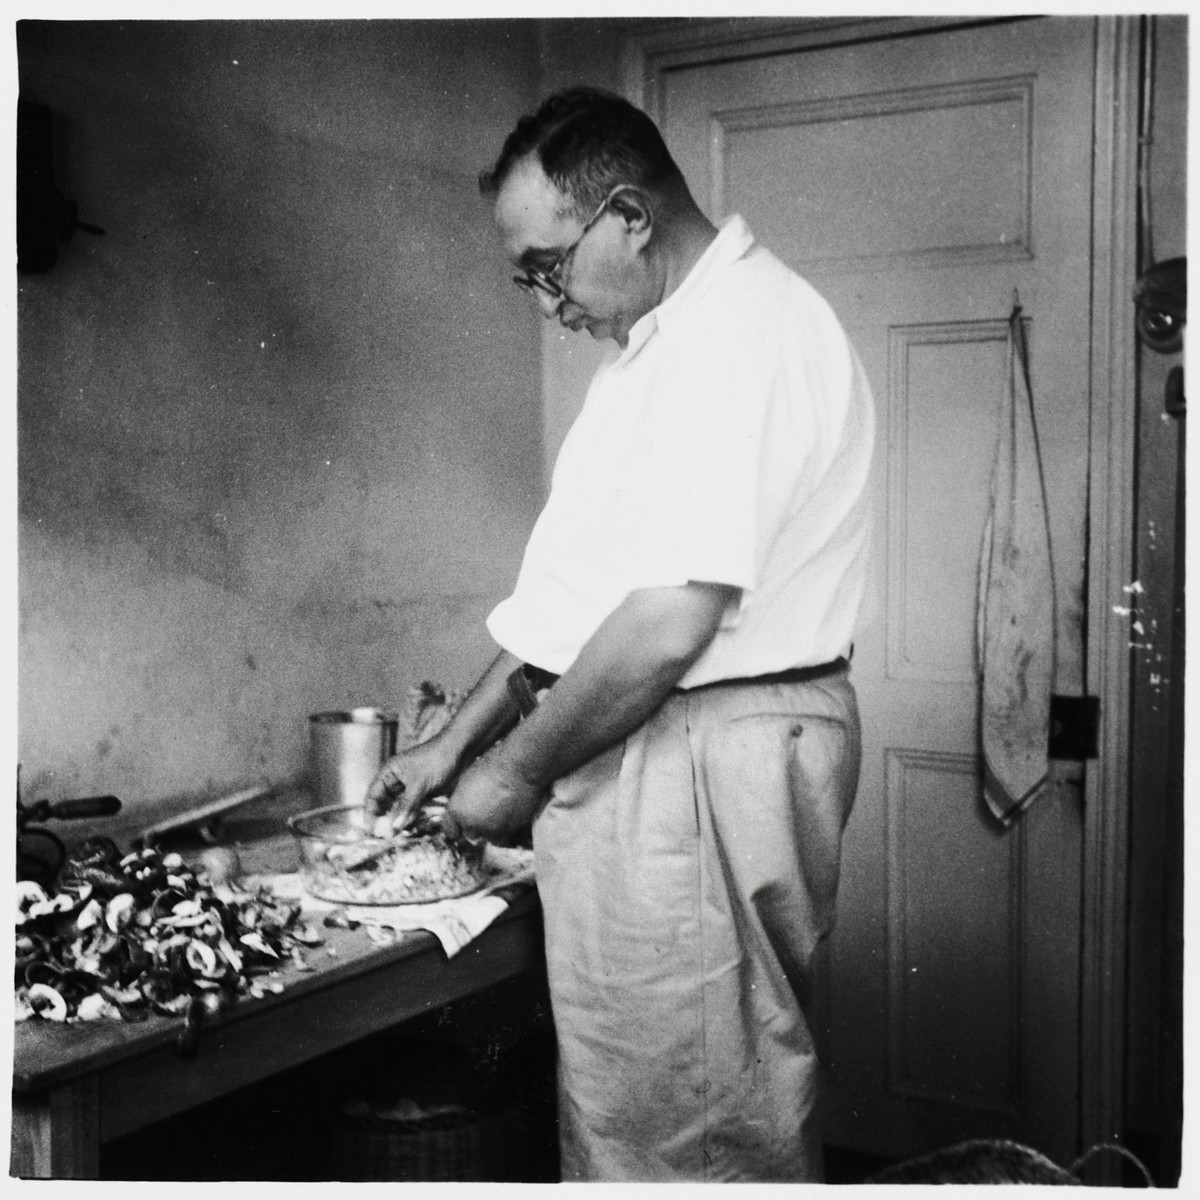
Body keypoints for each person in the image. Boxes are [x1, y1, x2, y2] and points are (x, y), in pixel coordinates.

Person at [366, 86, 874, 1183]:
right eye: (527, 278)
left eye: (548, 266)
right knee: (649, 1099)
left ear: (631, 216)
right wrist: (452, 744)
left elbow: (660, 625)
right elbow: (586, 598)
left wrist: (512, 772)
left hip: (699, 750)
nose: (544, 302)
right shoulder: (656, 348)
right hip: (663, 745)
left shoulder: (740, 335)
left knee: (690, 1124)